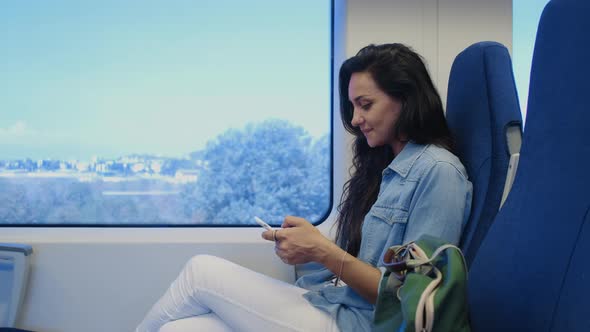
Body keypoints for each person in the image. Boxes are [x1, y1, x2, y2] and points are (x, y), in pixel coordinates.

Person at [135, 43, 472, 332]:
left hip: (360, 323)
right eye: (353, 106)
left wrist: (322, 251)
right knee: (177, 328)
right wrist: (311, 248)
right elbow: (358, 266)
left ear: (405, 99)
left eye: (365, 105)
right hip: (335, 302)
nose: (354, 119)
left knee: (200, 272)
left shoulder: (439, 172)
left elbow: (411, 296)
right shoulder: (384, 168)